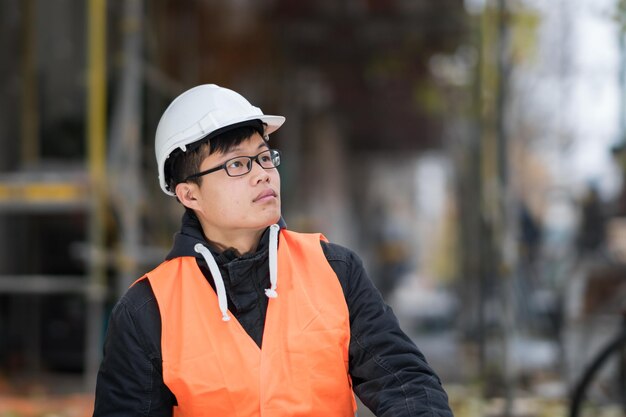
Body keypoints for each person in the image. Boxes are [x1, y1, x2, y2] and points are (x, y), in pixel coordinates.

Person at [93, 84, 454, 417]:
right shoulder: (148, 309)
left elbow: (406, 383)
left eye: (265, 158)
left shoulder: (335, 270)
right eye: (237, 164)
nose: (263, 174)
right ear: (190, 194)